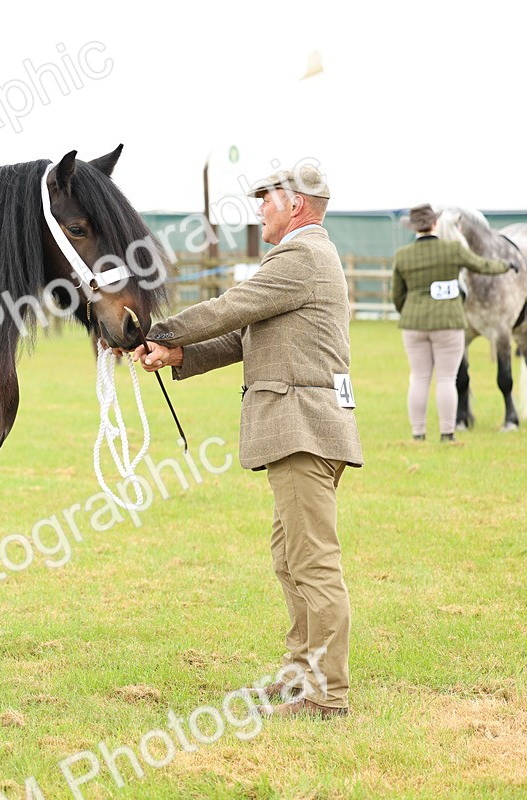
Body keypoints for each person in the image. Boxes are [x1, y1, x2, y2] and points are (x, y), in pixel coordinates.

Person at [128, 164, 362, 719]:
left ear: (297, 205)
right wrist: (179, 355)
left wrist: (154, 331)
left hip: (304, 426)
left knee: (313, 564)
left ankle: (326, 695)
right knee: (290, 560)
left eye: (268, 199)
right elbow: (244, 335)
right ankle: (301, 676)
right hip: (301, 428)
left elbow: (229, 308)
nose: (260, 208)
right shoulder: (301, 260)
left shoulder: (301, 257)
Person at [390, 204, 514, 442]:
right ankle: (448, 433)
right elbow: (483, 265)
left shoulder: (402, 256)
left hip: (413, 325)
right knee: (447, 378)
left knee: (418, 378)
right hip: (448, 323)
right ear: (435, 223)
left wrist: (408, 311)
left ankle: (418, 434)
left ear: (414, 228)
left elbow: (397, 295)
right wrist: (507, 265)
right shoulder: (453, 250)